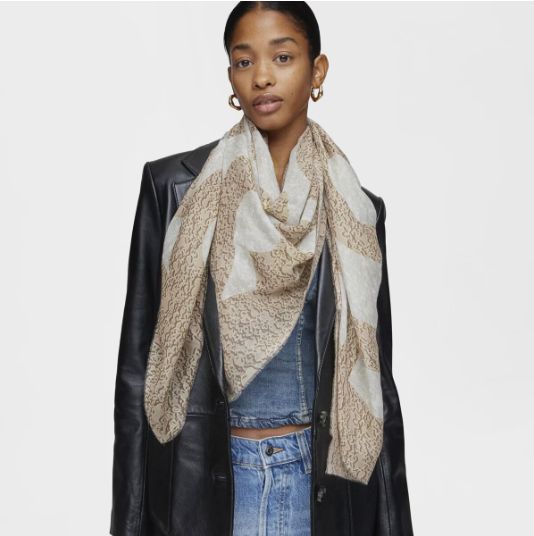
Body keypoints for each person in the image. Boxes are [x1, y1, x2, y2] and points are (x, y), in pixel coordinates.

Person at [110, 2, 414, 535]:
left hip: (322, 490)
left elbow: (376, 387)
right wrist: (128, 524)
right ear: (230, 76)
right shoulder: (175, 190)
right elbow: (138, 373)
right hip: (205, 490)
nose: (263, 76)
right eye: (244, 61)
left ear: (317, 71)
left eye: (283, 57)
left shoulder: (357, 210)